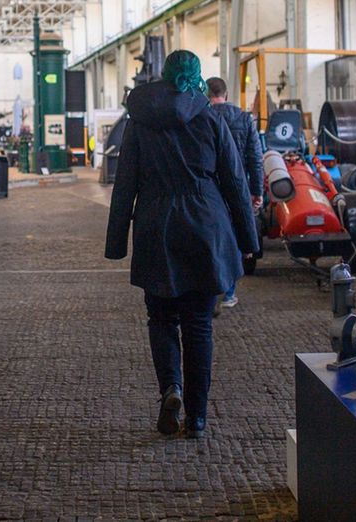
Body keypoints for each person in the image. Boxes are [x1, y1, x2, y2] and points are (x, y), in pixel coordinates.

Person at [105, 50, 258, 439]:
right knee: (198, 326)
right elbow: (235, 183)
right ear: (198, 77)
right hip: (206, 229)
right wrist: (248, 238)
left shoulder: (139, 122)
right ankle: (199, 416)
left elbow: (125, 187)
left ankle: (170, 388)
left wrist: (116, 242)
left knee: (161, 319)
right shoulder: (210, 118)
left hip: (157, 228)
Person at [206, 76, 264, 309]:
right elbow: (255, 158)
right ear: (227, 95)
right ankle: (229, 291)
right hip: (238, 187)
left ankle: (213, 287)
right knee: (236, 234)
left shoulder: (202, 118)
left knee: (212, 236)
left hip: (210, 188)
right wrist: (257, 190)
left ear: (206, 95)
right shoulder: (244, 118)